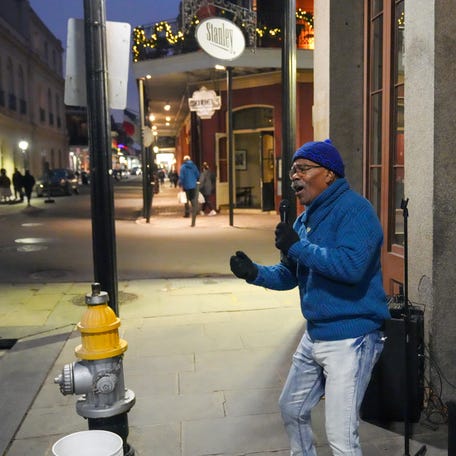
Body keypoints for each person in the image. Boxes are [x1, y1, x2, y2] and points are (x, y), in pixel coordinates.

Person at [229, 139, 390, 455]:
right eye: (292, 171)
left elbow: (352, 267)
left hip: (352, 337)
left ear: (328, 173)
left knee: (342, 437)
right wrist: (254, 273)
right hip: (316, 334)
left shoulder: (356, 211)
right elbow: (291, 273)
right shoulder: (304, 221)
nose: (294, 177)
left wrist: (297, 246)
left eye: (302, 169)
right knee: (292, 408)